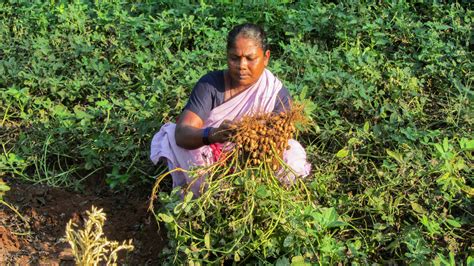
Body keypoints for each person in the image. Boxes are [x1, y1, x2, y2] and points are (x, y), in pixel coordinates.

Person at [150, 23, 310, 197]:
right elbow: (182, 133)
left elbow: (276, 147)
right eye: (235, 58)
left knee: (292, 153)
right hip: (210, 157)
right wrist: (212, 135)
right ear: (227, 56)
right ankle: (210, 192)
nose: (241, 65)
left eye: (250, 58)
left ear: (266, 58)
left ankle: (252, 191)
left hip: (252, 163)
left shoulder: (275, 93)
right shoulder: (210, 85)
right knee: (173, 135)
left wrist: (252, 147)